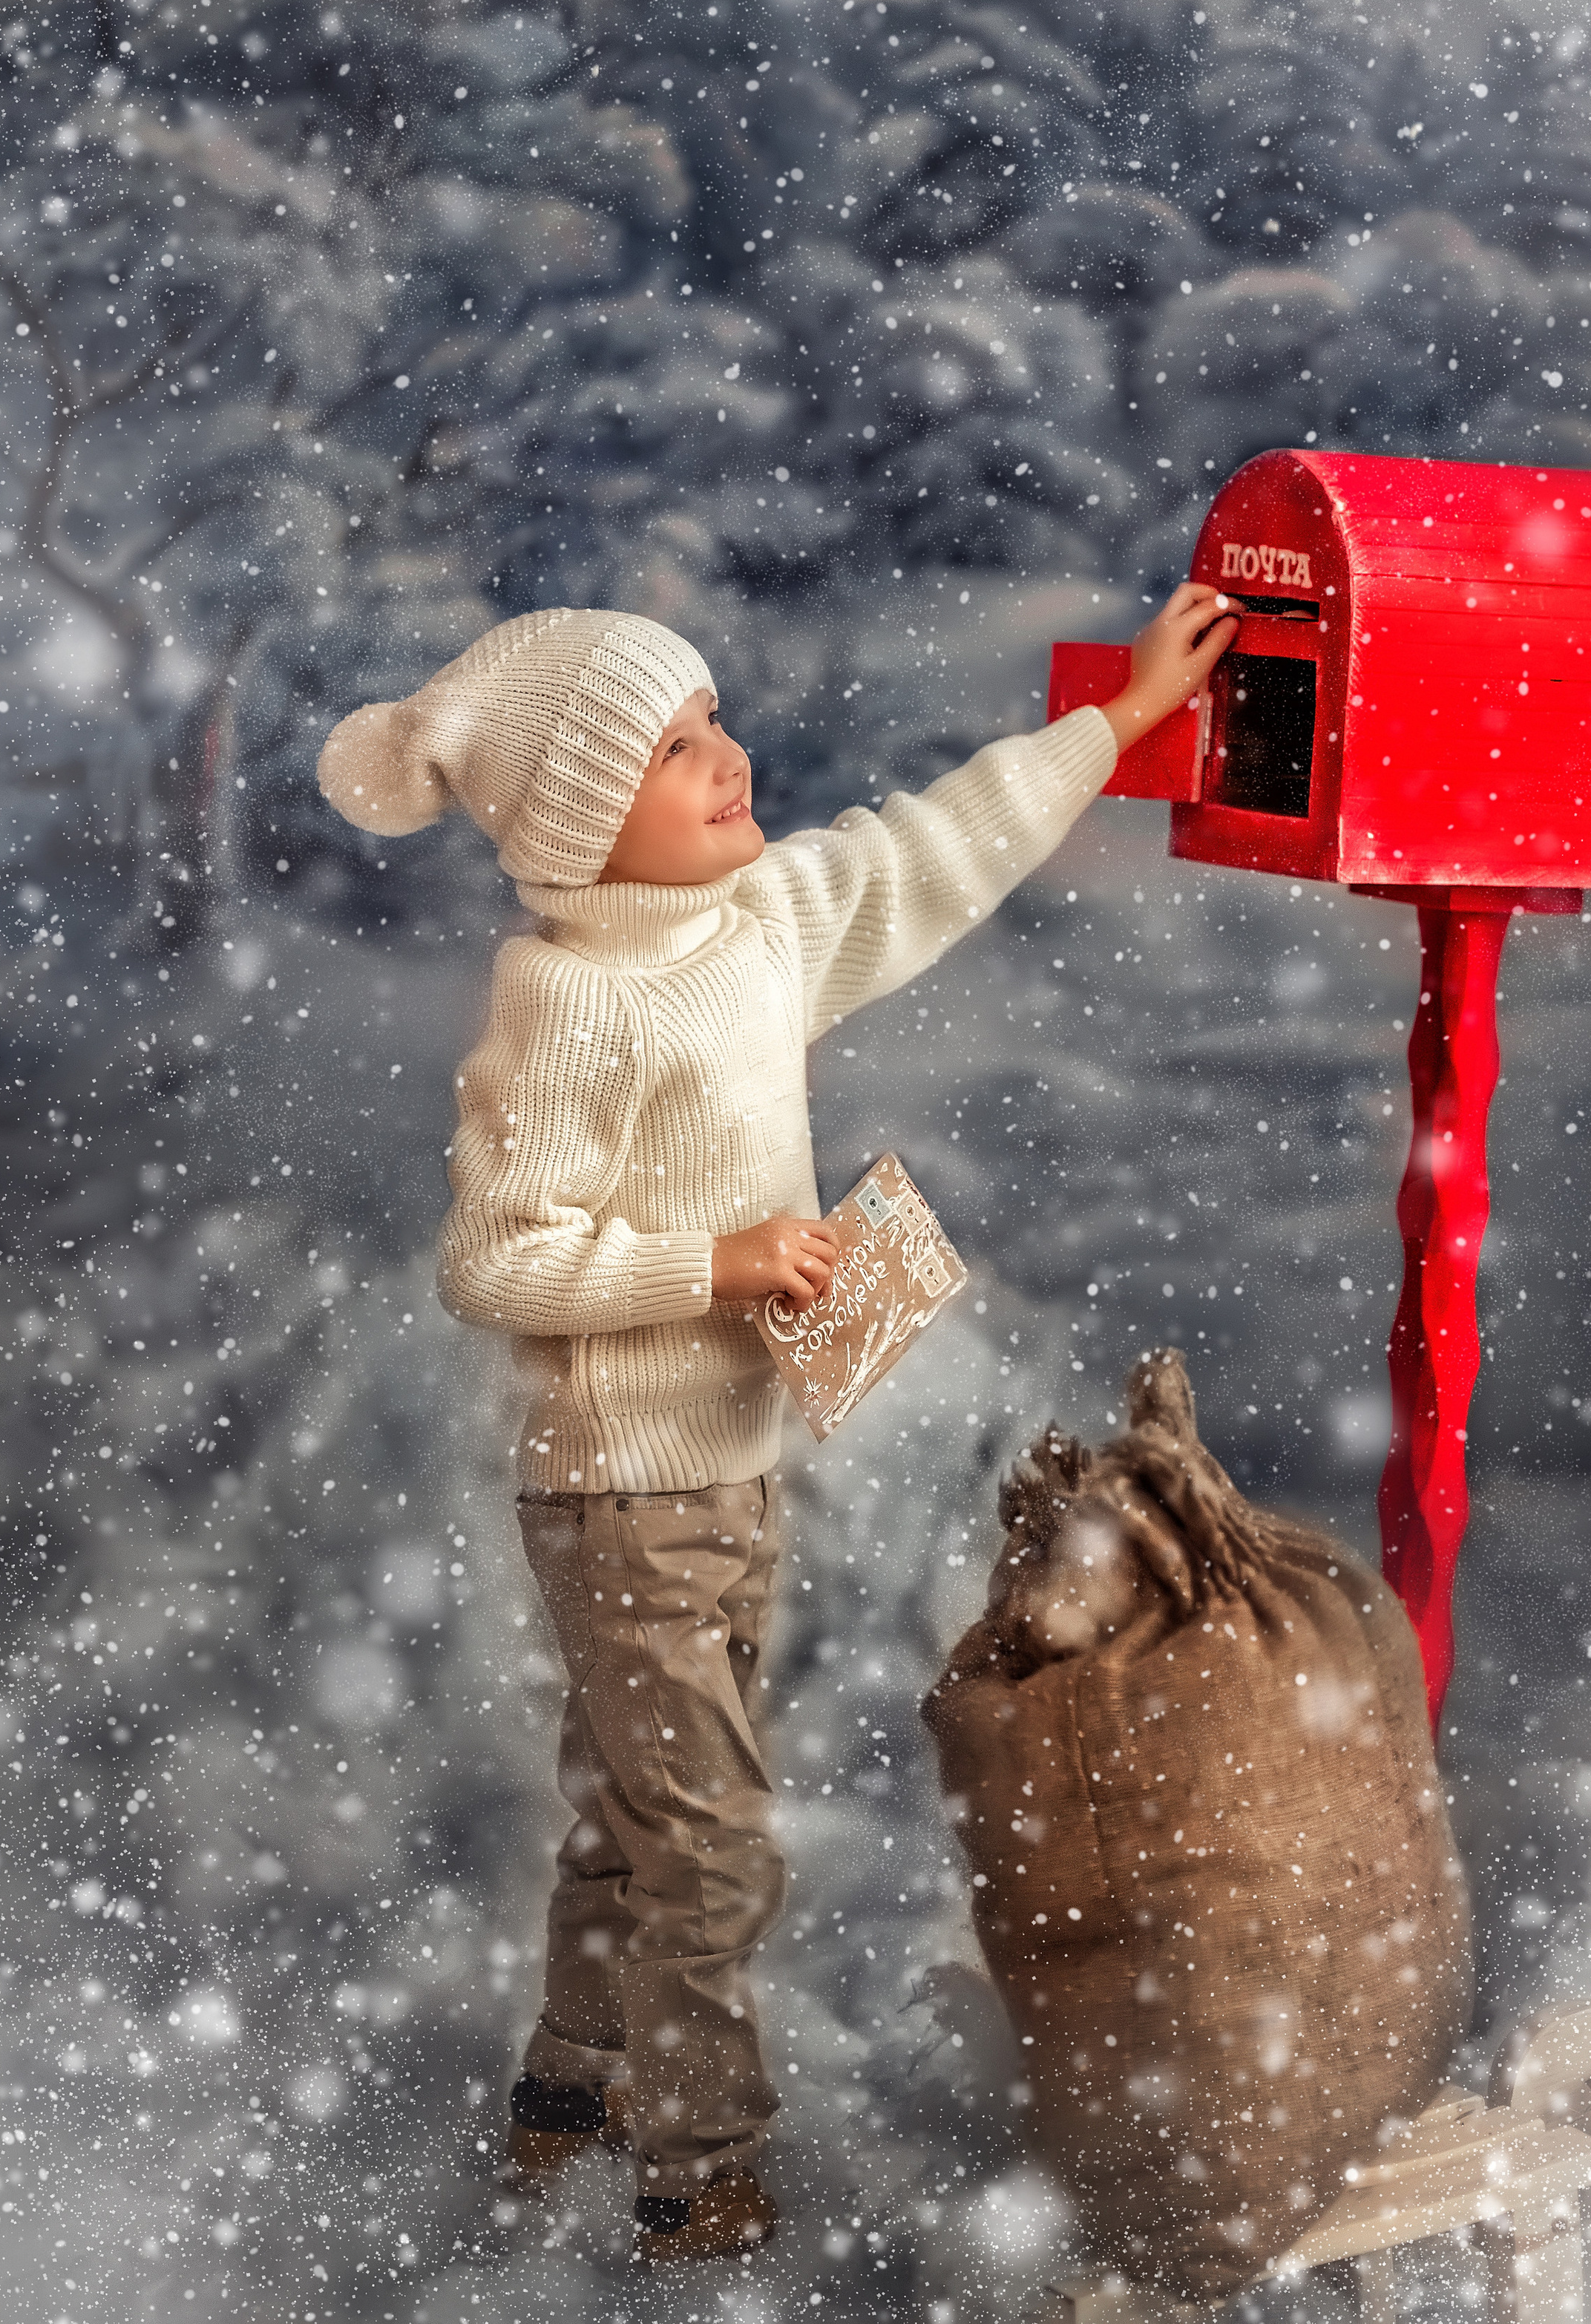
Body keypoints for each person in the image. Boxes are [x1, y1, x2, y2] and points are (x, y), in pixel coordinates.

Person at [316, 580, 1239, 2265]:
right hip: (623, 1491)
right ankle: (699, 2174)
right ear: (582, 822)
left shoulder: (758, 925)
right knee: (710, 1850)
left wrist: (1112, 727)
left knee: (637, 1814)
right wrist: (714, 1263)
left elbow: (927, 851)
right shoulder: (566, 1003)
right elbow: (493, 1256)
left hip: (726, 1475)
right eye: (674, 750)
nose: (727, 757)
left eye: (713, 718)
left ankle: (572, 2089)